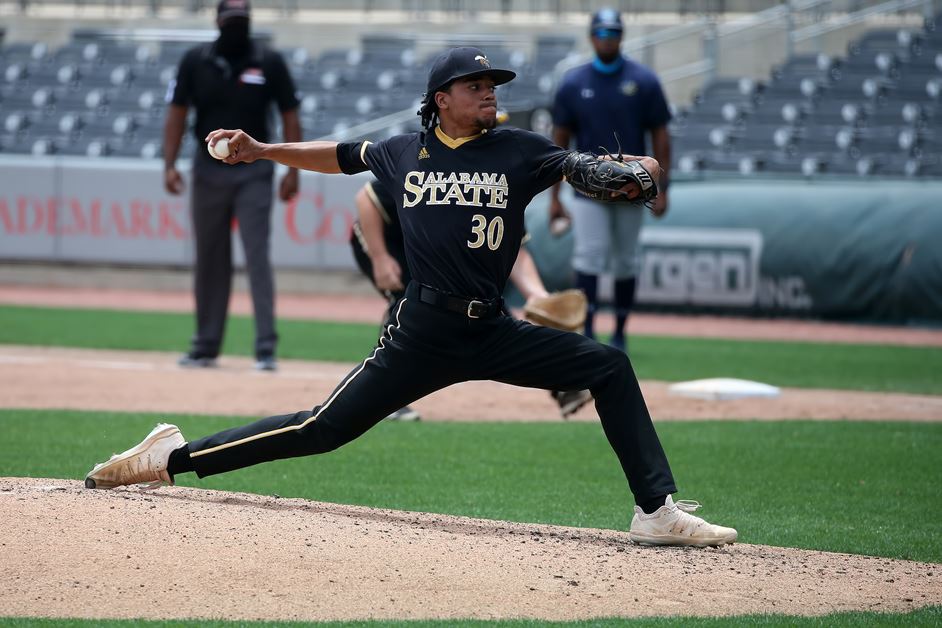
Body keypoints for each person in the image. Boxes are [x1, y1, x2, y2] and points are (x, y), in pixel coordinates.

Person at [86, 47, 736, 548]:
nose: (490, 95)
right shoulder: (404, 151)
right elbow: (336, 156)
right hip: (422, 331)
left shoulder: (522, 151)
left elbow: (588, 165)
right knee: (320, 430)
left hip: (493, 330)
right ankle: (169, 457)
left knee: (609, 366)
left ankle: (655, 510)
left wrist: (635, 172)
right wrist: (261, 150)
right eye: (477, 87)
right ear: (442, 98)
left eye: (494, 87)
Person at [351, 178, 592, 420]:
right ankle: (383, 397)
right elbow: (367, 199)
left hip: (432, 251)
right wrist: (380, 257)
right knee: (409, 302)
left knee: (488, 312)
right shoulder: (446, 174)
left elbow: (516, 251)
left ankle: (561, 383)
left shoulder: (504, 190)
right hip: (385, 237)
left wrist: (537, 296)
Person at [164, 0, 302, 372]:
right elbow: (177, 112)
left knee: (257, 257)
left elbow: (290, 113)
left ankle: (265, 348)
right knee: (209, 257)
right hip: (207, 171)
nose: (235, 27)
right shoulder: (195, 60)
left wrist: (292, 170)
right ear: (218, 21)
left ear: (249, 22)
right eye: (230, 21)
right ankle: (205, 346)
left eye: (241, 21)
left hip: (253, 169)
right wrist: (169, 164)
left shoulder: (268, 61)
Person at [550, 8, 672, 352]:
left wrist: (663, 187)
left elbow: (661, 135)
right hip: (588, 188)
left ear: (621, 35)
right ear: (591, 37)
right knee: (589, 257)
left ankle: (619, 332)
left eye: (613, 33)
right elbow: (558, 140)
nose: (608, 39)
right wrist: (555, 196)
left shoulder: (644, 80)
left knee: (626, 260)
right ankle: (588, 330)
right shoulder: (574, 83)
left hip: (633, 188)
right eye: (602, 34)